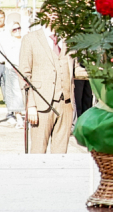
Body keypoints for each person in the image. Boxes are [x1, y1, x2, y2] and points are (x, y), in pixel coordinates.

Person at [19, 24, 76, 152]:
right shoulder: (31, 39)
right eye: (52, 11)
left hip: (65, 104)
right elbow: (24, 75)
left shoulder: (69, 39)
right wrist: (31, 105)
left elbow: (75, 69)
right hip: (41, 104)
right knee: (38, 151)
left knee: (61, 153)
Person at [3, 21, 25, 129]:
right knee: (16, 94)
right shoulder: (9, 42)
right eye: (14, 29)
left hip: (25, 70)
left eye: (19, 28)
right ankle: (19, 118)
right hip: (14, 69)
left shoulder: (25, 40)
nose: (17, 31)